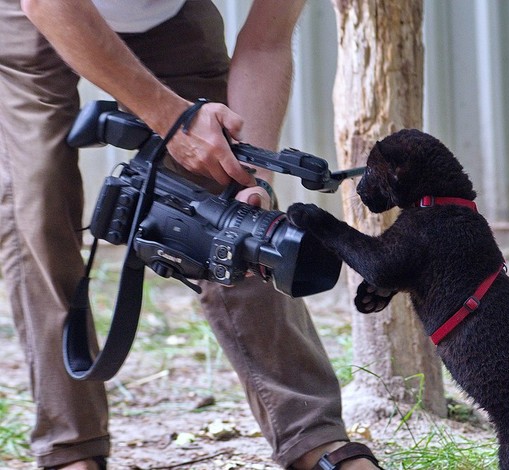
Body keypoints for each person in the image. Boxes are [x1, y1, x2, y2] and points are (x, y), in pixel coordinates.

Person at [0, 1, 380, 469]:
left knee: (237, 217)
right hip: (34, 12)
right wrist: (169, 117)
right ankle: (69, 448)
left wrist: (251, 179)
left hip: (168, 14)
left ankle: (312, 438)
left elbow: (266, 42)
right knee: (38, 198)